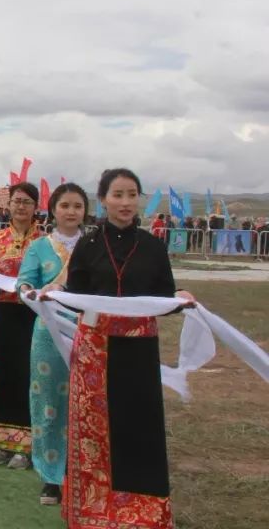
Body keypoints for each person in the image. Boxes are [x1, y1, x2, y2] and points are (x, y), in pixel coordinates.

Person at [53, 168, 194, 528]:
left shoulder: (152, 246)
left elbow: (164, 294)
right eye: (118, 195)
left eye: (133, 195)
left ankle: (142, 512)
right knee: (93, 428)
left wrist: (180, 298)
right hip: (94, 349)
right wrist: (48, 296)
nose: (126, 203)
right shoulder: (88, 244)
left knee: (139, 424)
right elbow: (75, 295)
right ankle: (92, 509)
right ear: (103, 199)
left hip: (138, 350)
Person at [15, 182, 88, 506]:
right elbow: (23, 283)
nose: (71, 211)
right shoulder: (39, 247)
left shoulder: (95, 245)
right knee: (48, 401)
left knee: (86, 400)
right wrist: (32, 291)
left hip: (90, 329)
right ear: (53, 209)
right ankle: (51, 476)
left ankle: (83, 473)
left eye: (77, 205)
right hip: (48, 330)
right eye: (65, 205)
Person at [0, 182, 44, 469]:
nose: (21, 206)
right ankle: (3, 440)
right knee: (4, 373)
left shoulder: (44, 242)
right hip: (3, 313)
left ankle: (27, 446)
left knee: (30, 374)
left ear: (36, 207)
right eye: (16, 201)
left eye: (27, 202)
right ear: (9, 204)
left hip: (34, 315)